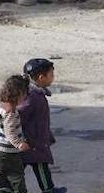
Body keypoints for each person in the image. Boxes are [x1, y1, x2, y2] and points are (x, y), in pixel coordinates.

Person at [19, 58, 67, 193]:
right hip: (32, 142)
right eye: (51, 75)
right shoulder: (33, 96)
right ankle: (48, 189)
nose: (53, 78)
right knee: (40, 166)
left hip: (34, 141)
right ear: (41, 77)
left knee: (20, 168)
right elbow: (20, 115)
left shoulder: (33, 93)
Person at [0, 75, 31, 193]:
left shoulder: (2, 106)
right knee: (17, 175)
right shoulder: (11, 112)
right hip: (7, 152)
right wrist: (19, 144)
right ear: (18, 94)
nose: (25, 97)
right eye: (24, 94)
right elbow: (10, 133)